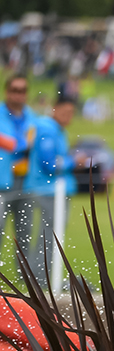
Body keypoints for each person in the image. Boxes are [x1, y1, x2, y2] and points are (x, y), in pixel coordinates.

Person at [25, 96, 77, 288]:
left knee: (49, 233)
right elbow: (49, 164)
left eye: (71, 113)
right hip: (48, 190)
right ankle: (41, 278)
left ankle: (41, 276)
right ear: (54, 109)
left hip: (52, 189)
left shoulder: (55, 129)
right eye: (65, 112)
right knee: (50, 234)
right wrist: (74, 162)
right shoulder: (47, 129)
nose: (68, 116)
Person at [0, 74, 36, 269]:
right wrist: (21, 144)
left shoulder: (32, 117)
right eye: (14, 90)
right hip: (2, 181)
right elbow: (12, 144)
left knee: (25, 230)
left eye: (22, 91)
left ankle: (25, 276)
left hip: (26, 180)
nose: (18, 95)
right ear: (7, 91)